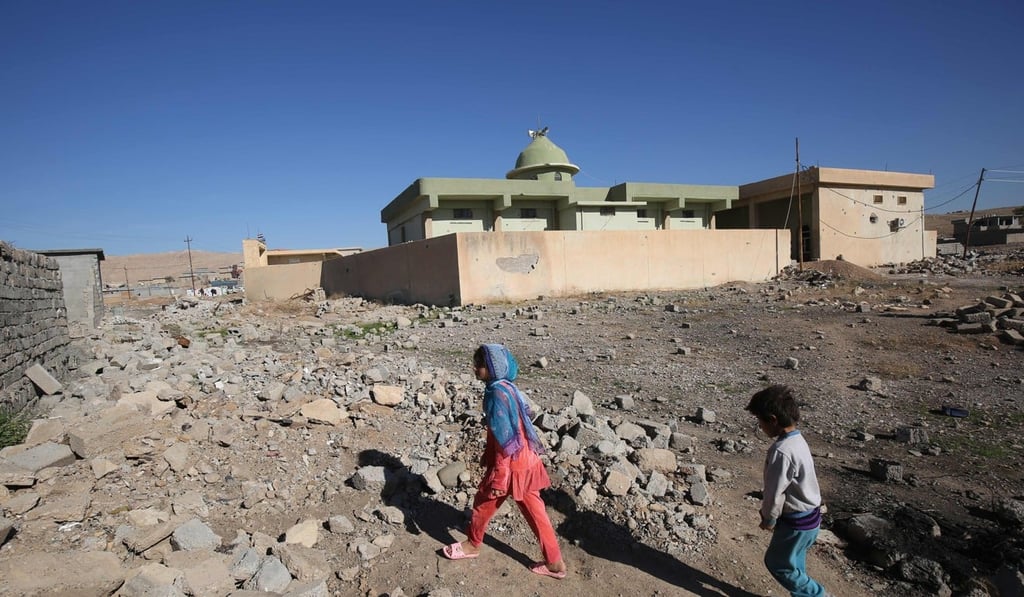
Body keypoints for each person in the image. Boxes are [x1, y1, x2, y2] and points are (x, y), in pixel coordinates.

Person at [442, 343, 567, 579]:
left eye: (479, 365)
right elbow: (524, 418)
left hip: (509, 465)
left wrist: (499, 475)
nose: (475, 368)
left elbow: (505, 439)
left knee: (482, 503)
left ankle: (472, 545)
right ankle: (555, 563)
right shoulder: (508, 388)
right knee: (536, 512)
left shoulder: (495, 395)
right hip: (526, 460)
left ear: (492, 368)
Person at [746, 385, 829, 597]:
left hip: (796, 522)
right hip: (811, 516)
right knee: (795, 563)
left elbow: (774, 494)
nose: (760, 426)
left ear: (772, 419)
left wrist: (768, 519)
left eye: (760, 421)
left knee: (778, 563)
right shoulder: (798, 440)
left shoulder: (781, 452)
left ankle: (817, 595)